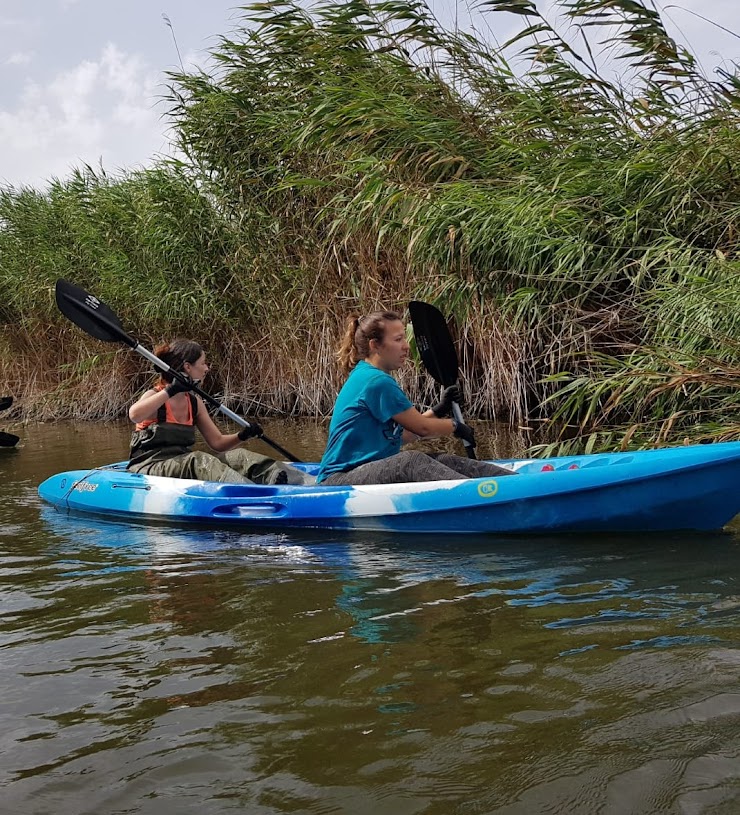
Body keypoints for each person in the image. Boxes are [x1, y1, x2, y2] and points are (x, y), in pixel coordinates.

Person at [317, 311, 517, 485]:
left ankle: (512, 482)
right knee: (411, 461)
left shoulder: (370, 375)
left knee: (444, 460)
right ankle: (478, 495)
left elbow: (406, 435)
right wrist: (455, 426)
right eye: (398, 340)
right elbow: (422, 428)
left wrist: (438, 410)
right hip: (339, 480)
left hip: (361, 473)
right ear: (375, 345)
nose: (406, 346)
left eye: (404, 338)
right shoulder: (375, 381)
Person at [127, 339, 313, 485]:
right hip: (149, 466)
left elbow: (217, 443)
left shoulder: (194, 402)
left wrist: (242, 435)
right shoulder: (155, 396)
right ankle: (248, 492)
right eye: (203, 363)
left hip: (180, 463)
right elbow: (134, 415)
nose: (207, 368)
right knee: (198, 460)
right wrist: (170, 391)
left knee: (238, 456)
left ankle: (298, 481)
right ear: (187, 367)